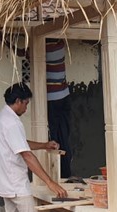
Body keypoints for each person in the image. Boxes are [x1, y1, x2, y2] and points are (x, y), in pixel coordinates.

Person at [0, 83, 67, 212]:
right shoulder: (12, 122)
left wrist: (44, 145)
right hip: (16, 185)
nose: (26, 108)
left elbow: (19, 143)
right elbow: (27, 155)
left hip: (4, 183)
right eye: (26, 103)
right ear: (18, 101)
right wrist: (50, 182)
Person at [45, 39, 72, 178]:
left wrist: (8, 43)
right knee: (64, 135)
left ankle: (59, 174)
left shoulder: (45, 47)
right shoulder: (60, 44)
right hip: (65, 96)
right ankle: (67, 172)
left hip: (52, 98)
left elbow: (25, 54)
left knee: (54, 138)